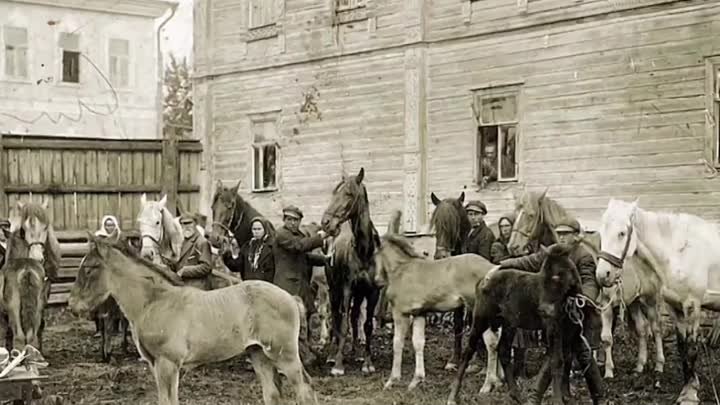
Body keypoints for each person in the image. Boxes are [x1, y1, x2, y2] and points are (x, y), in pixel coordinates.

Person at [494, 217, 604, 404]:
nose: (561, 238)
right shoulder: (552, 253)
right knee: (565, 353)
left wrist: (583, 300)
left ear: (577, 236)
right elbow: (529, 261)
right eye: (559, 234)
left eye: (566, 234)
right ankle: (595, 397)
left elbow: (589, 282)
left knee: (576, 354)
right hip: (556, 315)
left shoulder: (583, 255)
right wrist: (502, 265)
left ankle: (537, 397)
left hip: (575, 316)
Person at [222, 217, 275, 282]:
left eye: (259, 229)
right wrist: (226, 253)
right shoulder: (247, 247)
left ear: (265, 230)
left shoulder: (272, 247)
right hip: (248, 285)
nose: (256, 232)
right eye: (254, 229)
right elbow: (237, 266)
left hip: (265, 286)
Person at [172, 212, 213, 290]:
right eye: (183, 224)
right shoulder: (185, 241)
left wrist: (185, 271)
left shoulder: (202, 242)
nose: (186, 226)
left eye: (189, 223)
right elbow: (182, 263)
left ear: (196, 223)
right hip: (185, 285)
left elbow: (206, 267)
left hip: (198, 288)